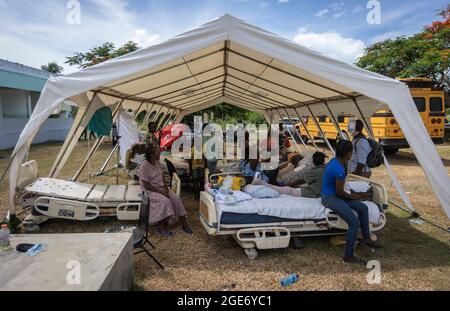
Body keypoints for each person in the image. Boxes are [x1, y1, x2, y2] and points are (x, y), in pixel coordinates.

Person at [321, 140, 381, 265]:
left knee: (363, 208)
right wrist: (355, 196)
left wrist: (355, 197)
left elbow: (340, 191)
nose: (352, 155)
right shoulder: (338, 169)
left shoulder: (334, 161)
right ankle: (348, 255)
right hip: (330, 197)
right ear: (347, 154)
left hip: (335, 195)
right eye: (352, 152)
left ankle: (366, 239)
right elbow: (339, 192)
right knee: (354, 222)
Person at [137, 144, 193, 237]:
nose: (159, 155)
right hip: (149, 191)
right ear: (151, 155)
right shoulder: (144, 167)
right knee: (165, 201)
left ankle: (185, 224)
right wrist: (161, 192)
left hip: (161, 188)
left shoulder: (157, 162)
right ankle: (162, 227)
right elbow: (146, 184)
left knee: (176, 198)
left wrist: (165, 187)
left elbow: (162, 176)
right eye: (158, 153)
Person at [253, 152, 326, 199]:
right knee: (288, 188)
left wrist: (289, 185)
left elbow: (301, 180)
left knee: (288, 190)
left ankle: (261, 183)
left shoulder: (313, 171)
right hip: (280, 180)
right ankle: (261, 183)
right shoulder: (324, 169)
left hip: (314, 193)